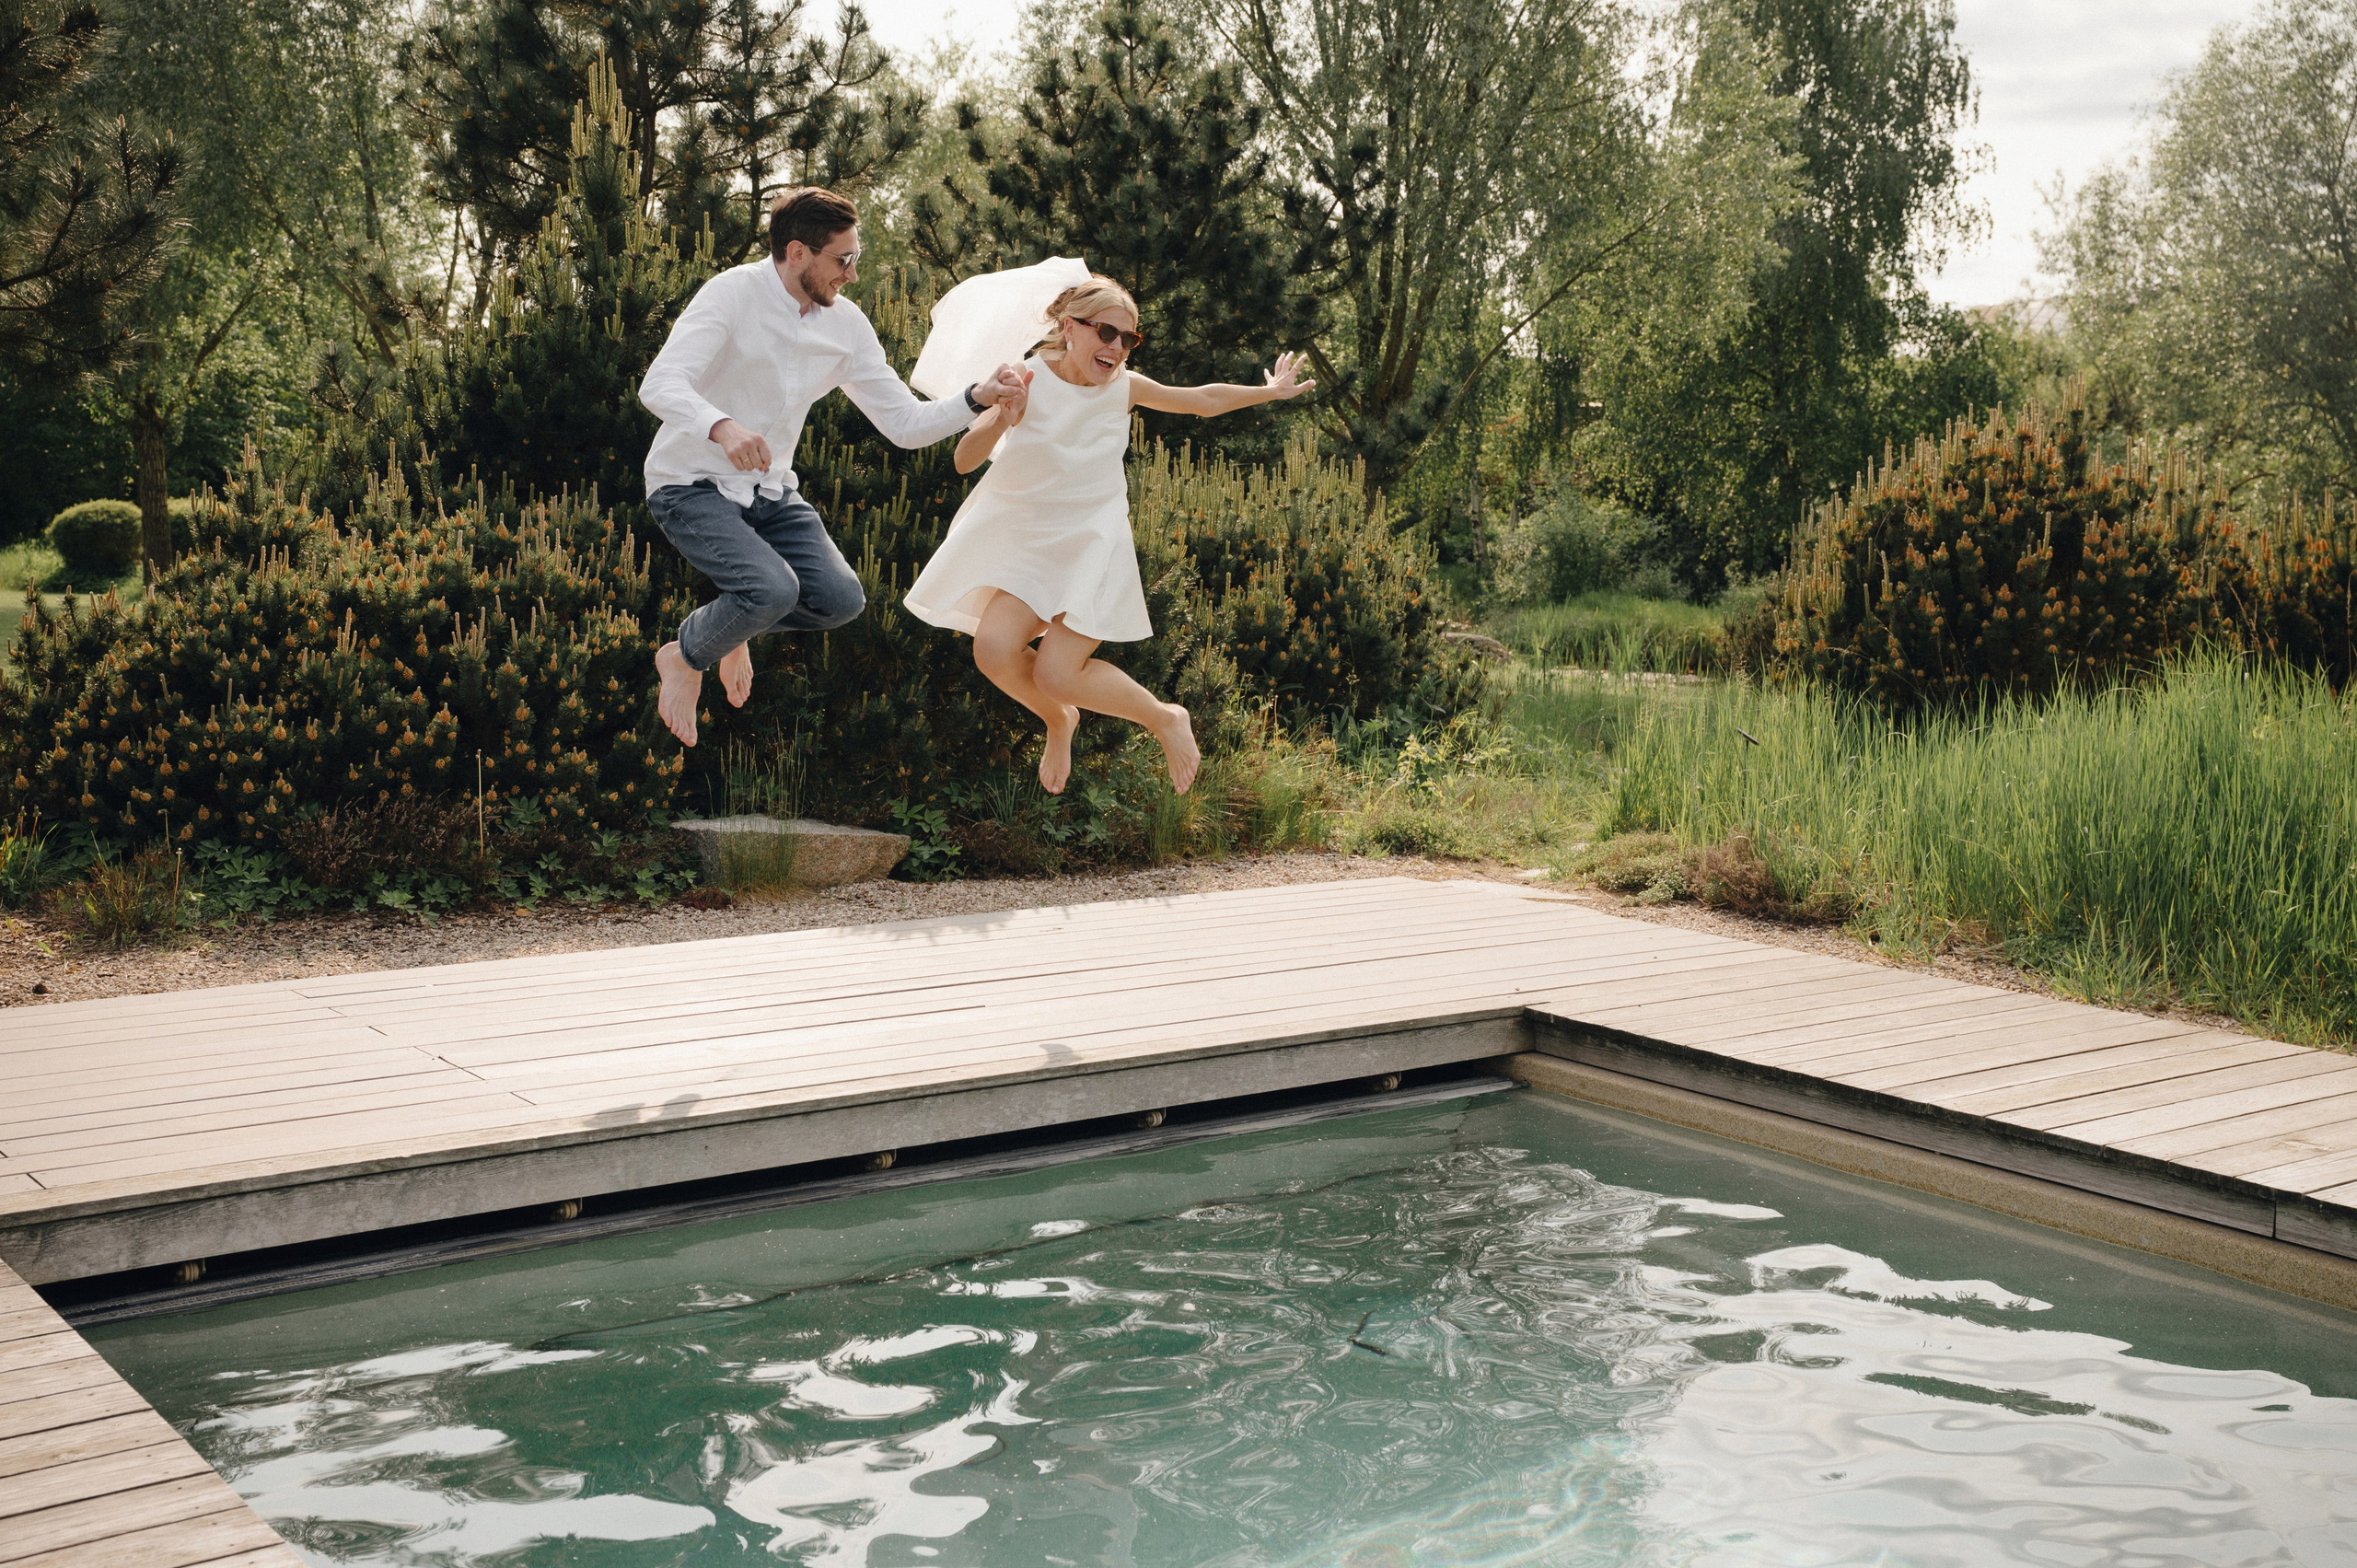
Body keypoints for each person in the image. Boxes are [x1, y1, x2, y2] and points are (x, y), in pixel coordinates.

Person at [637, 186, 1029, 746]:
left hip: (770, 492)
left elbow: (905, 424)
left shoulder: (846, 326)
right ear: (797, 253)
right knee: (771, 591)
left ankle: (736, 619)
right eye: (843, 260)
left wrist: (977, 396)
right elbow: (661, 383)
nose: (851, 274)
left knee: (841, 600)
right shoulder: (732, 295)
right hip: (689, 484)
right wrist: (721, 426)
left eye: (856, 259)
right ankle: (686, 655)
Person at [903, 274, 1314, 795]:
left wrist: (1271, 392)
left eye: (1128, 338)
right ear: (1069, 328)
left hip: (1092, 545)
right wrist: (1001, 421)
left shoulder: (1125, 386)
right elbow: (964, 461)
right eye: (1106, 332)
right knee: (993, 650)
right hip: (1027, 543)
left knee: (1057, 672)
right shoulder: (1024, 378)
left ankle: (1166, 719)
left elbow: (1201, 400)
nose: (1117, 347)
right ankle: (1060, 721)